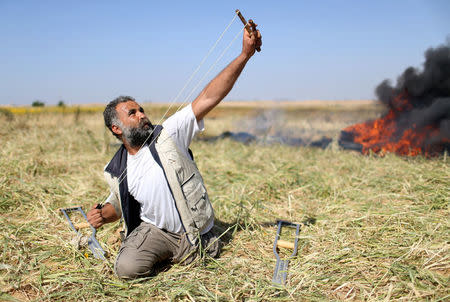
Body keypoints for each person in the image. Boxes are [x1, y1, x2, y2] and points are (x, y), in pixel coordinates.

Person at [87, 25, 262, 279]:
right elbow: (121, 206)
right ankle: (159, 253)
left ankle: (185, 253)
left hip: (193, 233)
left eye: (142, 109)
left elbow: (208, 97)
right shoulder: (117, 167)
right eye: (132, 113)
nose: (142, 115)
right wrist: (103, 215)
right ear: (116, 128)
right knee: (125, 270)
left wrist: (244, 55)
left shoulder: (168, 134)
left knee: (199, 259)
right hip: (157, 231)